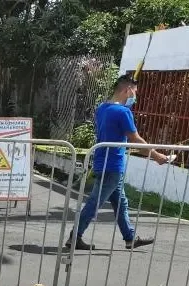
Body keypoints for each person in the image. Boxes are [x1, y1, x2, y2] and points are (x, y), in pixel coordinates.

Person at [66, 75, 171, 251]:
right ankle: (74, 237)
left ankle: (130, 238)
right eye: (134, 92)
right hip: (113, 165)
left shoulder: (102, 108)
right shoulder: (123, 112)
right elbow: (135, 139)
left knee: (121, 203)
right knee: (94, 203)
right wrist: (157, 155)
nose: (135, 96)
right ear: (127, 90)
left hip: (103, 162)